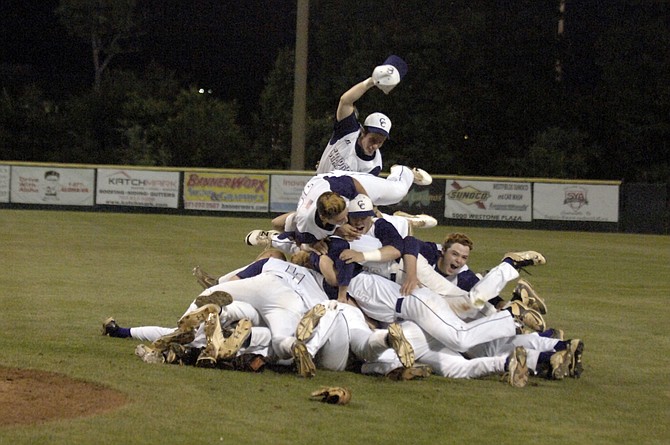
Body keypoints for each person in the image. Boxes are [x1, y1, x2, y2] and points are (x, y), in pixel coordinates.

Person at [315, 55, 408, 175]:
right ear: (363, 132)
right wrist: (371, 82)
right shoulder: (348, 131)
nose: (375, 146)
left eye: (380, 142)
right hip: (315, 188)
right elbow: (345, 101)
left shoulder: (373, 166)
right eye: (373, 139)